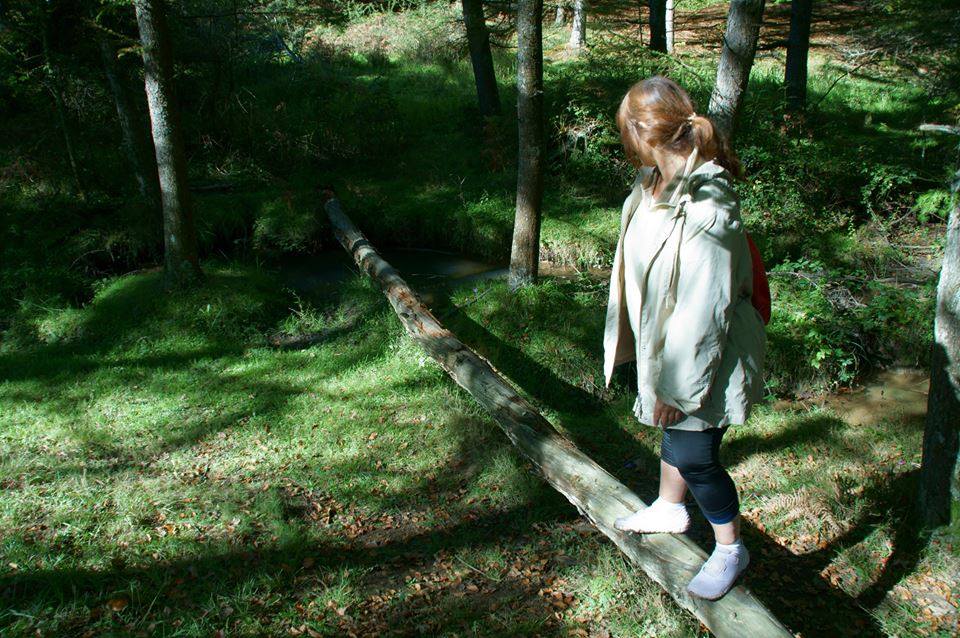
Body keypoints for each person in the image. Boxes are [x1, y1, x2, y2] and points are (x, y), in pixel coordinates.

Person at [602, 75, 766, 601]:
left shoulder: (709, 201)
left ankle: (730, 548)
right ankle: (670, 508)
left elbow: (705, 308)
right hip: (669, 344)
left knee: (695, 453)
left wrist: (678, 387)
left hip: (708, 353)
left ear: (639, 132)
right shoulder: (652, 181)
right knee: (675, 435)